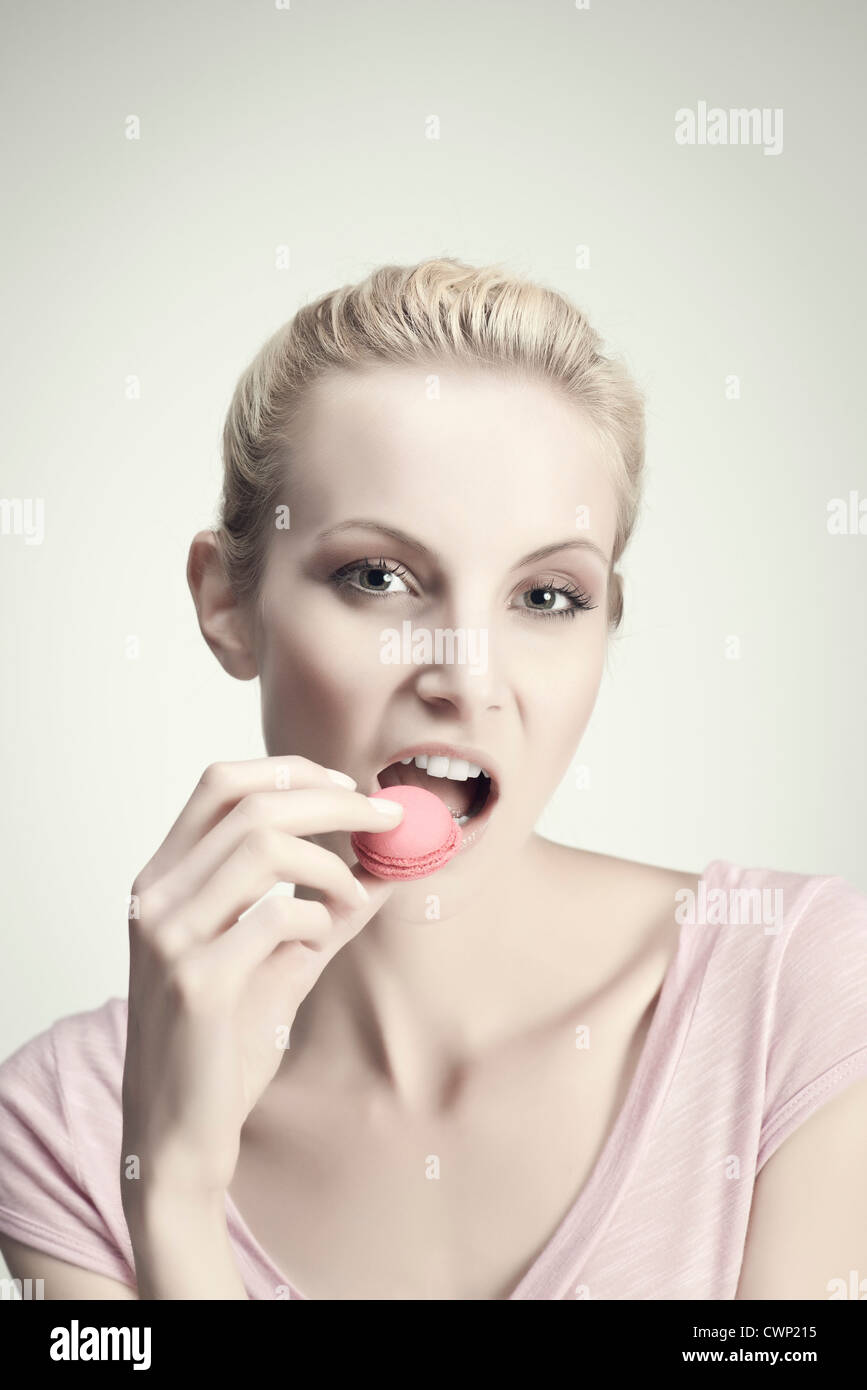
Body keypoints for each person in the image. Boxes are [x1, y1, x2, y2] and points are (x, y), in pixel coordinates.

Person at [1, 258, 865, 1301]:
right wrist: (176, 1190)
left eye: (547, 595)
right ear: (229, 601)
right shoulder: (64, 1123)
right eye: (378, 577)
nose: (467, 675)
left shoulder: (806, 995)